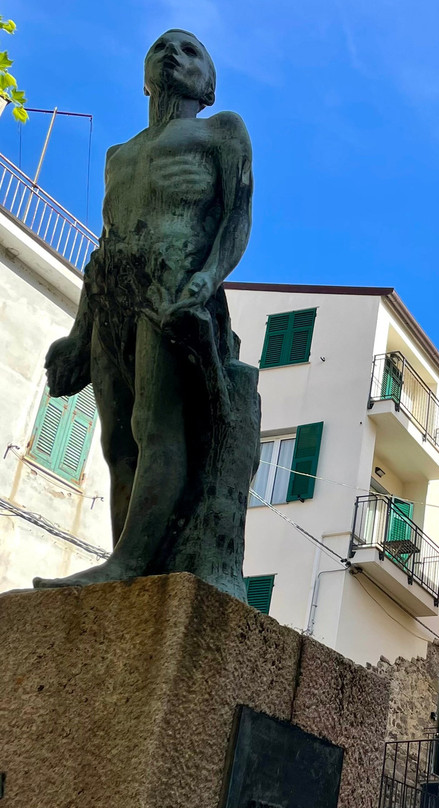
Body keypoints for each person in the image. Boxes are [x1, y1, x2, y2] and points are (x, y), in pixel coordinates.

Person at [34, 29, 256, 595]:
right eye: (161, 48)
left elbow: (236, 220)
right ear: (143, 74)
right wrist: (78, 333)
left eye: (189, 51)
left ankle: (129, 564)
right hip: (113, 288)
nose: (172, 55)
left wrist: (206, 278)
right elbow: (103, 243)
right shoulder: (119, 154)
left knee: (154, 424)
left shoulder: (221, 131)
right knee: (115, 443)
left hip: (174, 280)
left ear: (208, 84)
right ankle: (123, 563)